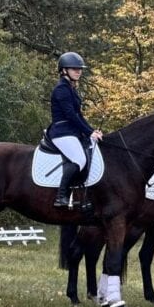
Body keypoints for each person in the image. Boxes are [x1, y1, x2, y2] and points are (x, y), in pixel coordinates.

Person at [48, 52, 103, 210]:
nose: (78, 71)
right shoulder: (61, 89)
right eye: (74, 68)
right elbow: (71, 116)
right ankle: (61, 195)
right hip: (61, 131)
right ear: (64, 70)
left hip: (71, 131)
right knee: (79, 159)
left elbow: (79, 115)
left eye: (79, 68)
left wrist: (92, 131)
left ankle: (83, 195)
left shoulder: (71, 89)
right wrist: (88, 132)